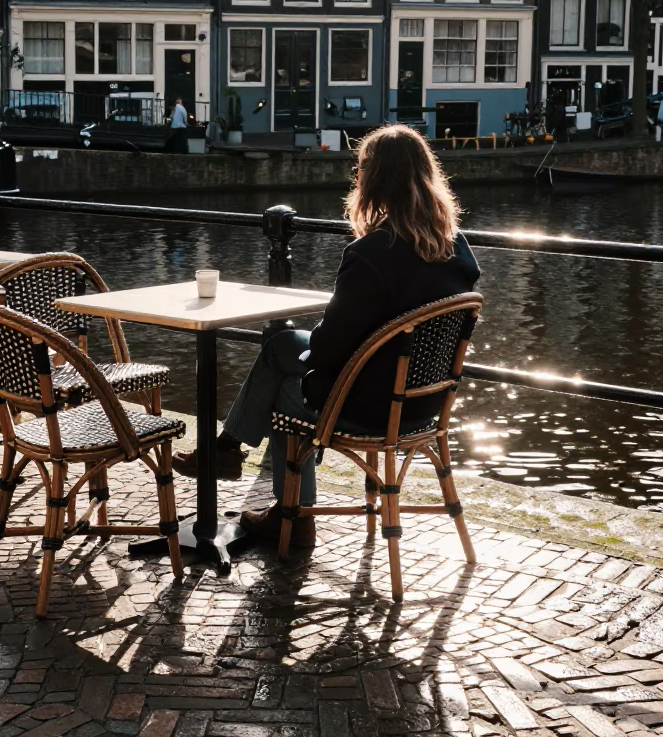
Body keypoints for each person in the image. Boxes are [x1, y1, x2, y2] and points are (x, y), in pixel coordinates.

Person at [173, 123, 481, 546]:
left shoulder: (371, 254)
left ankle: (292, 517)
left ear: (371, 180)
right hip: (424, 400)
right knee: (281, 345)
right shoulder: (457, 247)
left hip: (369, 403)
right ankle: (228, 452)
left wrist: (319, 341)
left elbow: (328, 347)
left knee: (285, 387)